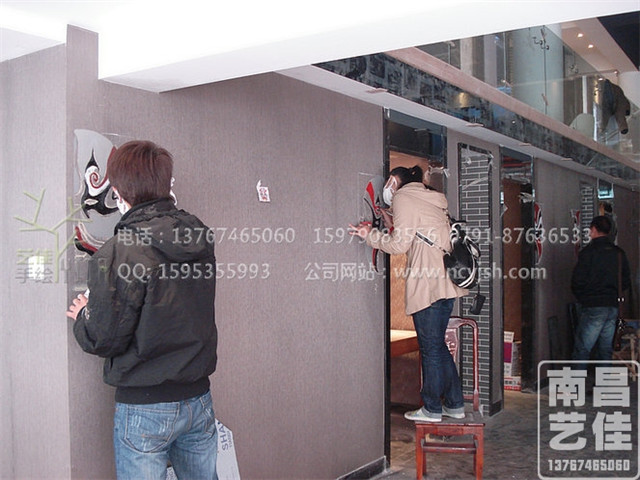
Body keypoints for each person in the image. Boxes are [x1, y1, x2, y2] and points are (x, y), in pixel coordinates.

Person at [66, 140, 219, 479]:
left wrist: (82, 317)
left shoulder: (120, 252)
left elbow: (104, 339)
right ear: (166, 184)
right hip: (198, 398)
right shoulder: (199, 236)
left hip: (146, 408)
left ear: (118, 191)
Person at [350, 165, 468, 422]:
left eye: (389, 182)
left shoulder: (404, 197)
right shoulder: (430, 197)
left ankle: (432, 408)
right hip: (445, 285)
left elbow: (399, 245)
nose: (387, 188)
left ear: (394, 181)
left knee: (430, 349)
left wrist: (369, 235)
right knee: (437, 346)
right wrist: (391, 221)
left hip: (427, 287)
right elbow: (418, 233)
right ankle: (455, 403)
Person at [571, 215, 630, 368]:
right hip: (612, 305)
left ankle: (577, 381)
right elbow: (625, 281)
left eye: (590, 229)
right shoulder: (619, 253)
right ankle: (604, 381)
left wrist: (584, 298)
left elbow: (577, 281)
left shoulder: (588, 253)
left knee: (583, 348)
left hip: (593, 305)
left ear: (594, 230)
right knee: (605, 349)